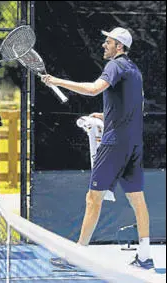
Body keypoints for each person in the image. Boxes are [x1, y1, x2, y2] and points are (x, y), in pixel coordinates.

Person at [41, 27, 155, 270]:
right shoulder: (134, 70)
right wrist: (106, 116)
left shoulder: (115, 66)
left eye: (108, 42)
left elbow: (94, 89)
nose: (104, 45)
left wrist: (56, 80)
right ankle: (145, 257)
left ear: (119, 47)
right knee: (138, 200)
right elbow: (134, 107)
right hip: (133, 143)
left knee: (93, 198)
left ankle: (76, 257)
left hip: (114, 143)